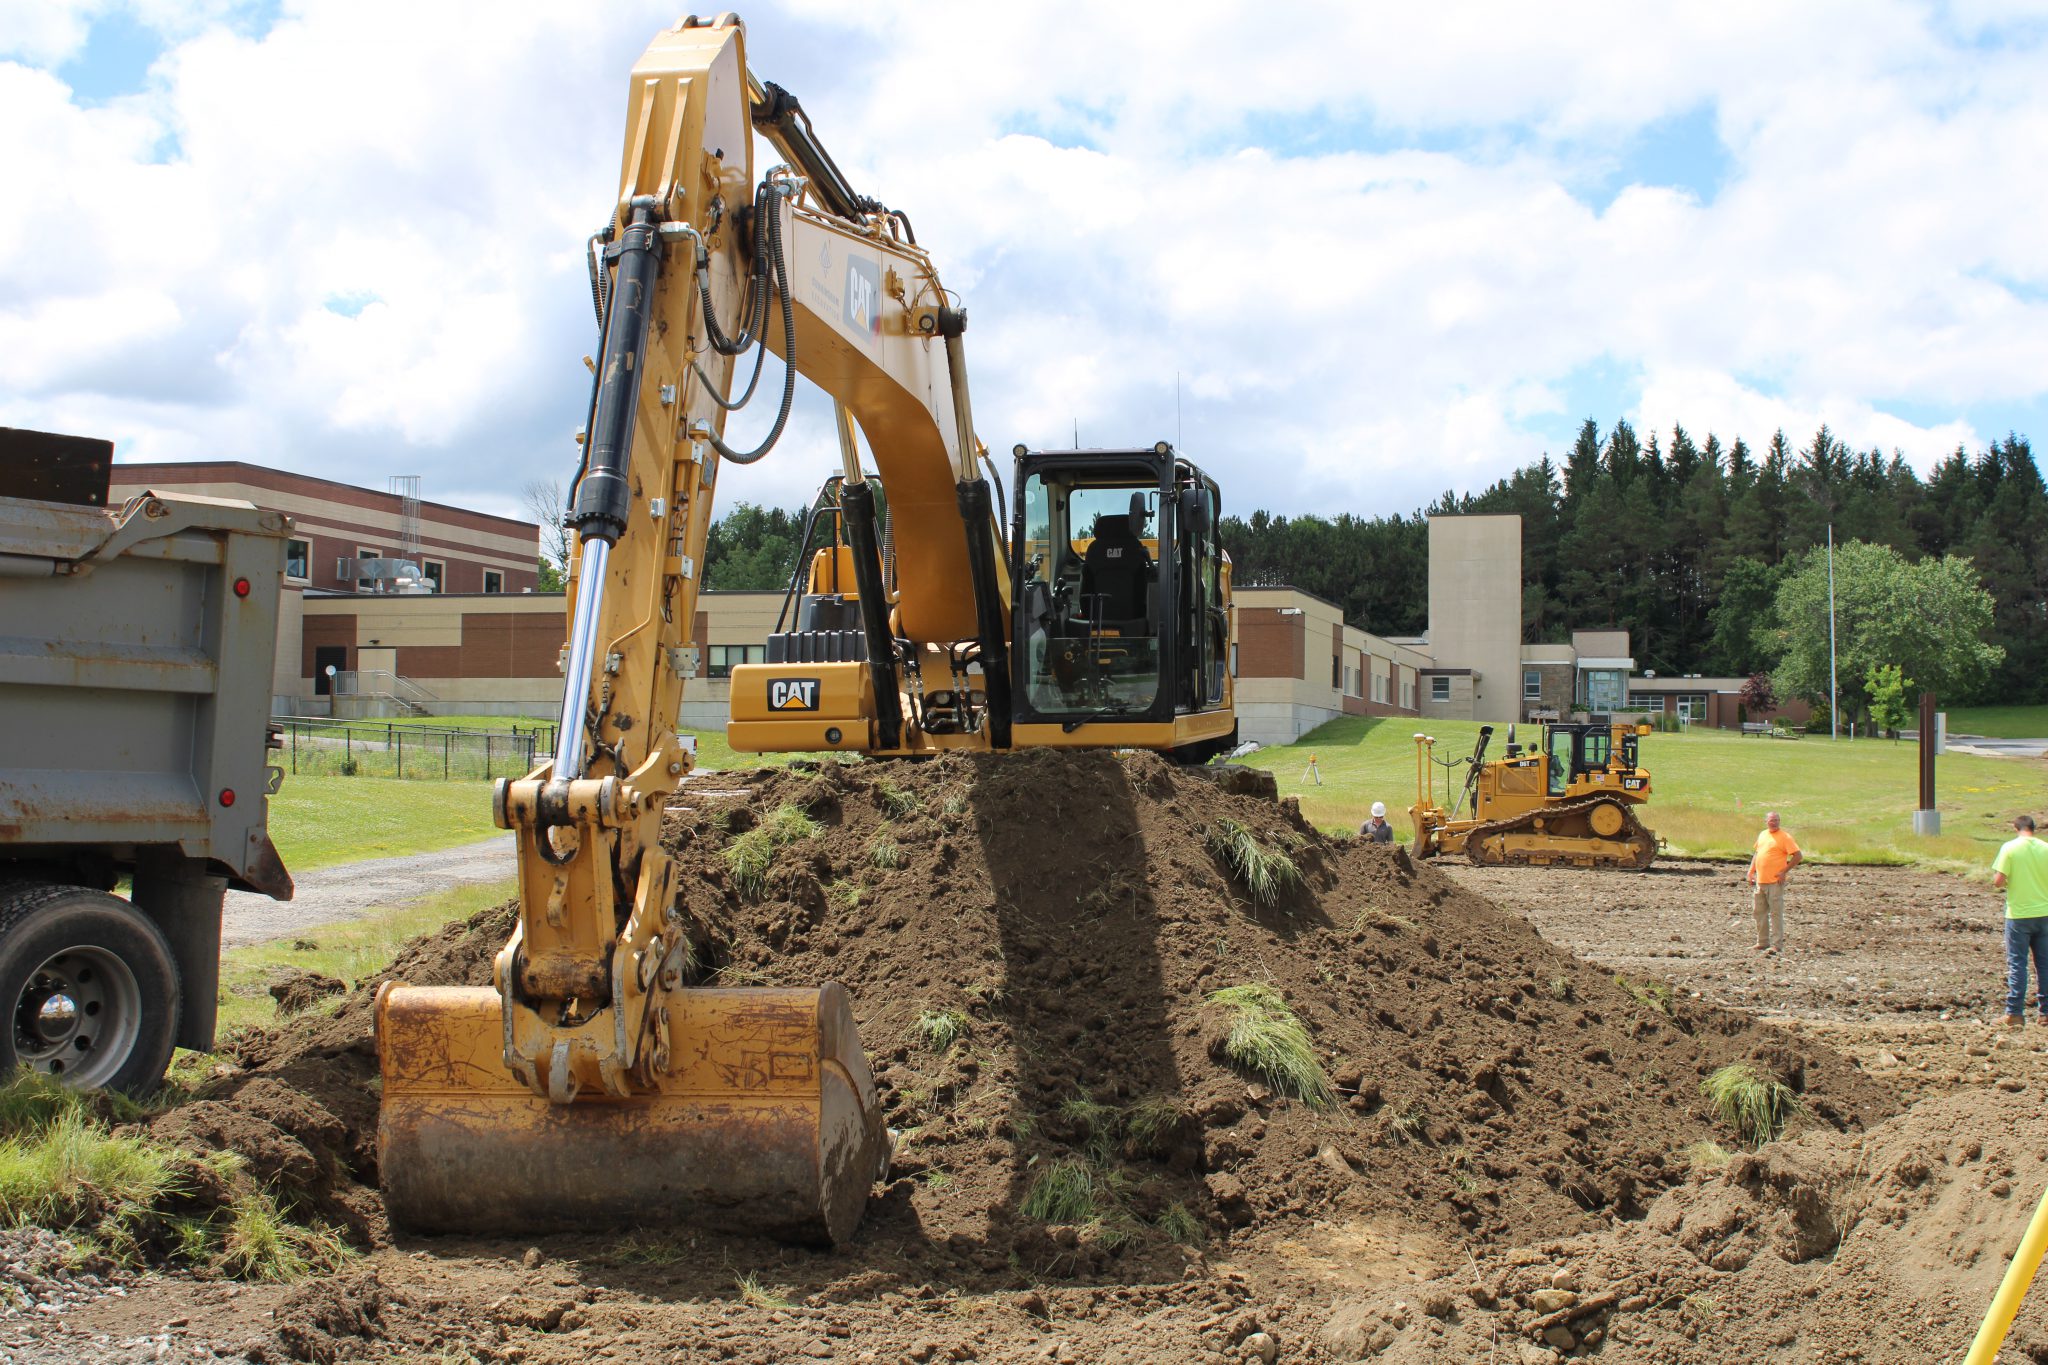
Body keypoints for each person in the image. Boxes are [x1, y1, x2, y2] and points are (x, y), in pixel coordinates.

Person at [1993, 815, 2048, 1027]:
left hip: (2018, 915)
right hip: (2044, 913)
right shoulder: (2045, 848)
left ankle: (2015, 1012)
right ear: (2033, 828)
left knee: (2018, 964)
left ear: (2015, 828)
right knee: (2044, 965)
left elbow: (1998, 881)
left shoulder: (2010, 848)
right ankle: (2045, 1013)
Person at [1745, 811, 1802, 953]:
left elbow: (1798, 855)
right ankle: (1762, 942)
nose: (1774, 822)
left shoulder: (1785, 837)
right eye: (1771, 820)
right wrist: (1751, 871)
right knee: (1759, 913)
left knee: (1776, 913)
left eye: (1776, 820)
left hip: (1775, 882)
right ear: (1766, 821)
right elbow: (1757, 854)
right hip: (1761, 881)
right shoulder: (1763, 834)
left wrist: (1784, 871)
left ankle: (1777, 945)